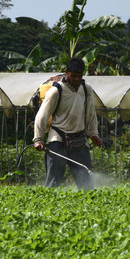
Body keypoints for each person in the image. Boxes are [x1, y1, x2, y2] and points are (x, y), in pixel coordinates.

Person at [33, 57, 102, 189]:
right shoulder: (56, 91)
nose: (76, 79)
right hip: (58, 139)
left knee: (87, 184)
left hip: (79, 140)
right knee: (53, 183)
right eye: (73, 76)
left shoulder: (86, 89)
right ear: (66, 72)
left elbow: (91, 114)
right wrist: (38, 139)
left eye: (79, 76)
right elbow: (42, 115)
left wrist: (93, 134)